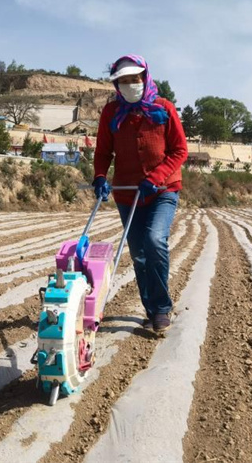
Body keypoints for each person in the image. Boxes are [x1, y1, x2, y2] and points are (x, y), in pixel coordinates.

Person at [92, 54, 188, 333]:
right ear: (116, 85)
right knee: (139, 255)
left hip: (163, 190)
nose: (129, 85)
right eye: (123, 81)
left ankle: (161, 308)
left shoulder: (164, 108)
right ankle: (151, 309)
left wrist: (156, 177)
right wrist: (100, 176)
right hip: (127, 193)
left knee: (154, 240)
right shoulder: (112, 113)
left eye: (134, 80)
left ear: (145, 78)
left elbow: (179, 151)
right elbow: (102, 152)